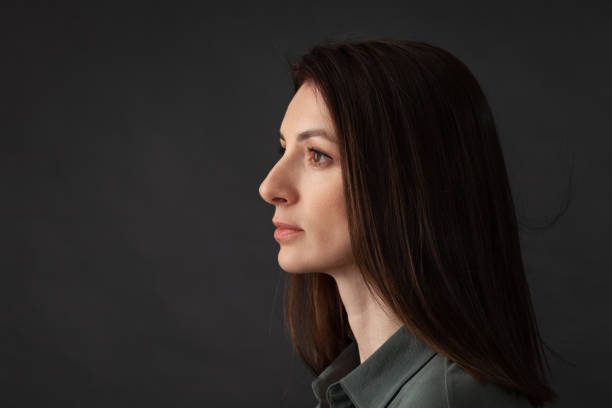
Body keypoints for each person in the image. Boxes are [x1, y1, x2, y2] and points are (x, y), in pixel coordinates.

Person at [258, 38, 558, 407]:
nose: (270, 187)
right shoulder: (358, 387)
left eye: (317, 155)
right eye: (283, 148)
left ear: (409, 182)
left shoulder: (445, 400)